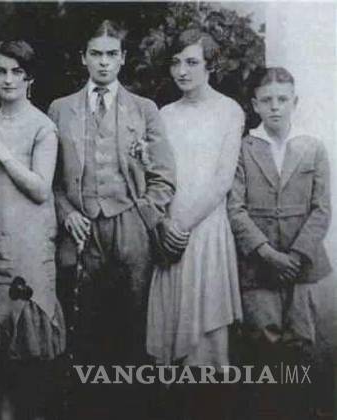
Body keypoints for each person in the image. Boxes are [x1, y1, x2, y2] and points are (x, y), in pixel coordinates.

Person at [48, 20, 176, 419]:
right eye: (96, 54)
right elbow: (50, 180)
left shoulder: (144, 109)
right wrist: (67, 213)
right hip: (82, 229)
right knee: (84, 324)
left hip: (130, 226)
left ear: (123, 59)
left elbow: (164, 177)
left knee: (132, 323)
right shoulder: (60, 109)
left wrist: (143, 216)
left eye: (111, 54)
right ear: (83, 58)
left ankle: (131, 409)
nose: (103, 62)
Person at [145, 29, 244, 418]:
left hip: (204, 231)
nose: (182, 71)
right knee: (171, 337)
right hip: (169, 232)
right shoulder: (164, 114)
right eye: (176, 62)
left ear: (210, 66)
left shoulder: (230, 111)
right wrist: (164, 224)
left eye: (192, 62)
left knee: (206, 343)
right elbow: (156, 176)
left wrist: (181, 226)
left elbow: (221, 181)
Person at [227, 67, 331, 419]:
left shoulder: (312, 147)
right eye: (267, 100)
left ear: (294, 102)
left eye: (282, 99)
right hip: (259, 265)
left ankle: (300, 410)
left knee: (301, 340)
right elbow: (235, 209)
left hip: (303, 266)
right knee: (263, 341)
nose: (275, 107)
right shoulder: (244, 148)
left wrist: (297, 255)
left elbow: (321, 208)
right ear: (255, 104)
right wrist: (267, 253)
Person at [0, 40, 64, 420]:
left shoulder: (42, 126)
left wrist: (3, 154)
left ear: (30, 79)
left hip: (29, 246)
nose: (8, 79)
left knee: (30, 348)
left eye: (17, 72)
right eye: (0, 71)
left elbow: (41, 189)